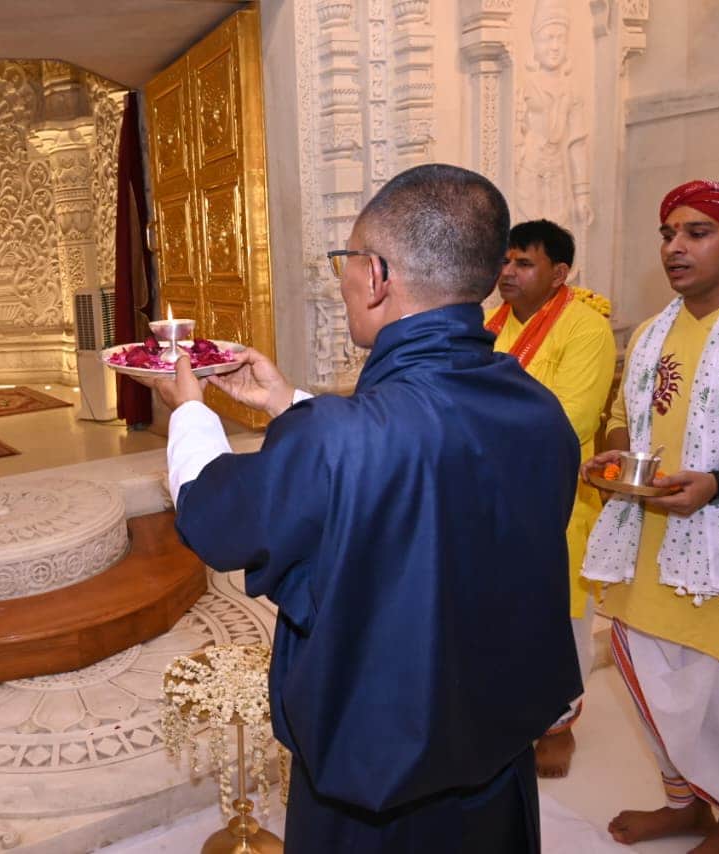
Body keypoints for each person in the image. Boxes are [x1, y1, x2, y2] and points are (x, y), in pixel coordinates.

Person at [146, 164, 582, 851]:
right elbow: (437, 458)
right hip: (495, 759)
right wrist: (289, 403)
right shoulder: (538, 408)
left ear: (376, 276)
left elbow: (216, 520)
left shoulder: (338, 438)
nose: (343, 279)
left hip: (372, 788)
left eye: (345, 261)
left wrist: (189, 414)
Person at [581, 179, 719, 851]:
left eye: (697, 232)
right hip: (648, 542)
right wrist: (615, 458)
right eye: (667, 233)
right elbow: (624, 419)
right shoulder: (654, 332)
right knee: (650, 682)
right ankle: (686, 804)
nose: (674, 247)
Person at [488, 218, 616, 777]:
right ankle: (509, 713)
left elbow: (571, 418)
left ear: (559, 273)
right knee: (499, 611)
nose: (508, 272)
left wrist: (479, 424)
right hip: (489, 495)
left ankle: (559, 724)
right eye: (505, 260)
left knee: (559, 619)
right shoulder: (487, 325)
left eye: (524, 263)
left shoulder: (585, 328)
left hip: (555, 499)